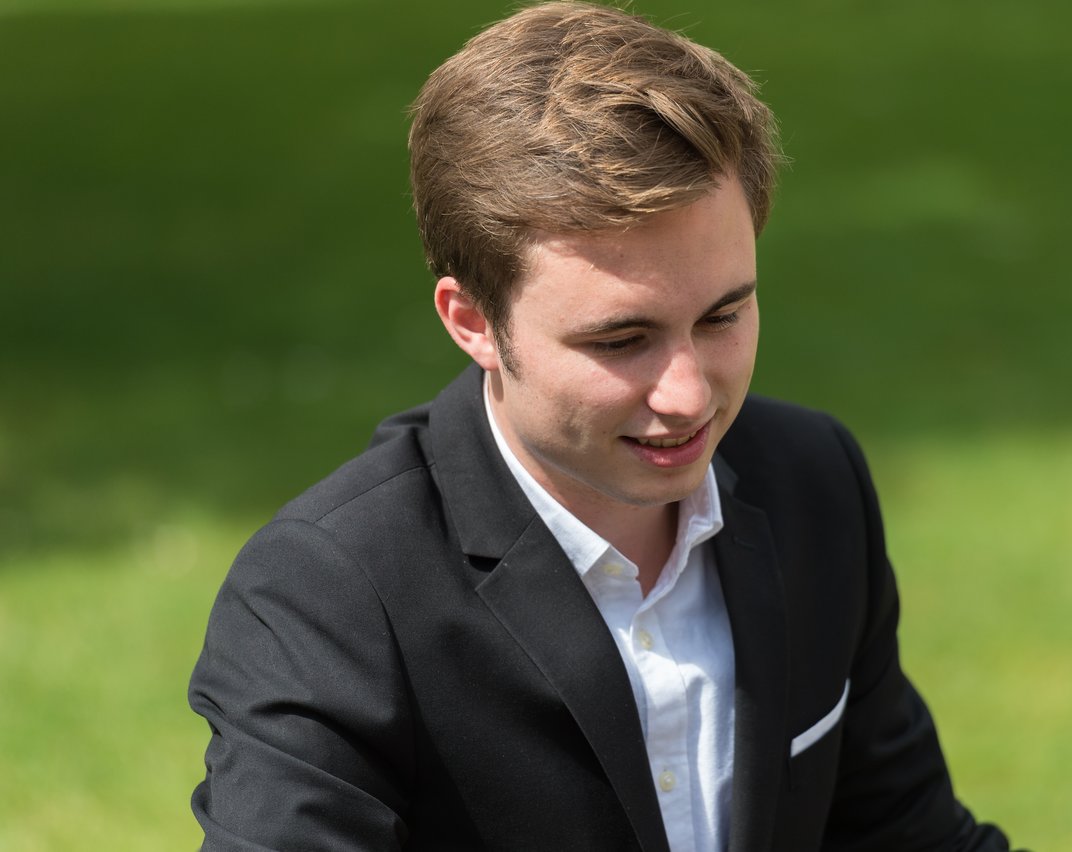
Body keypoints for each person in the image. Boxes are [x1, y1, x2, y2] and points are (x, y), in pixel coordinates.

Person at [189, 3, 1018, 850]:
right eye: (622, 340)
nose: (690, 396)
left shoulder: (813, 481)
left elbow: (907, 835)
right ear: (472, 321)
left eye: (723, 316)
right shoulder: (330, 596)